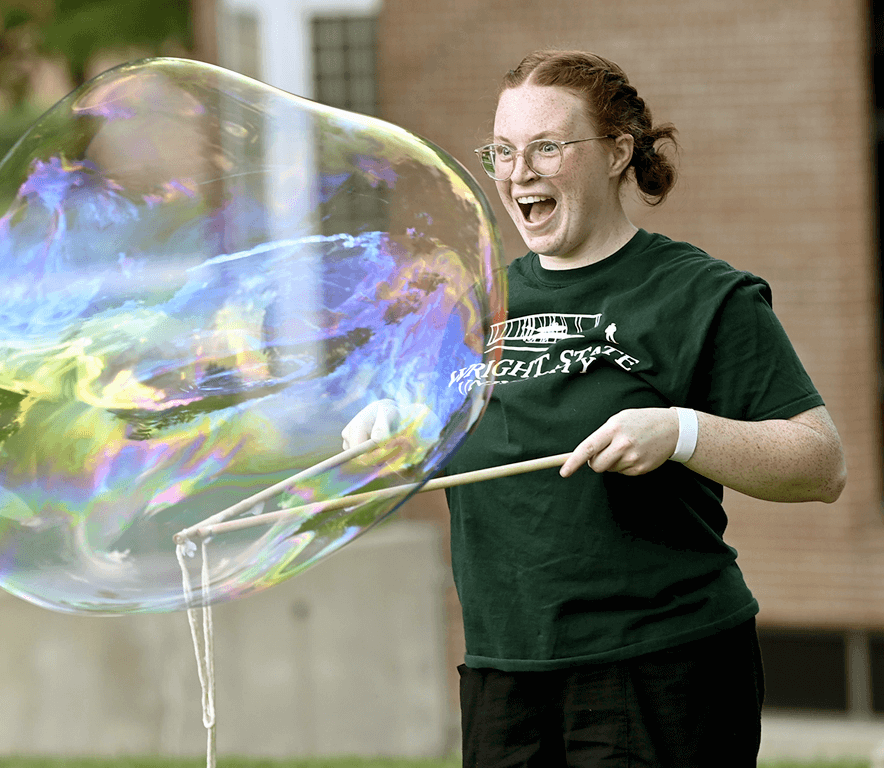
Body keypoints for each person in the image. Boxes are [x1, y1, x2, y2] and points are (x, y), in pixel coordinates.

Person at [343, 49, 848, 766]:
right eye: (504, 152)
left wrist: (680, 431)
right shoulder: (472, 307)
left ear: (617, 152)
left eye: (547, 147)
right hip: (503, 675)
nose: (520, 172)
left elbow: (821, 464)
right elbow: (438, 425)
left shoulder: (699, 296)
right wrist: (396, 431)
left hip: (661, 671)